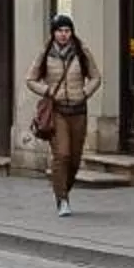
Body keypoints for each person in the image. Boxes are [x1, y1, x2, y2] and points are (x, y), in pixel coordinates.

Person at [25, 14, 101, 215]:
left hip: (78, 110)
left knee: (75, 159)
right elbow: (30, 79)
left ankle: (63, 189)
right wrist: (48, 91)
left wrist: (85, 93)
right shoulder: (46, 54)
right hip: (57, 111)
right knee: (62, 154)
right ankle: (62, 200)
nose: (64, 35)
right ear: (53, 33)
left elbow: (95, 77)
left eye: (67, 30)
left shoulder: (81, 53)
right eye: (60, 31)